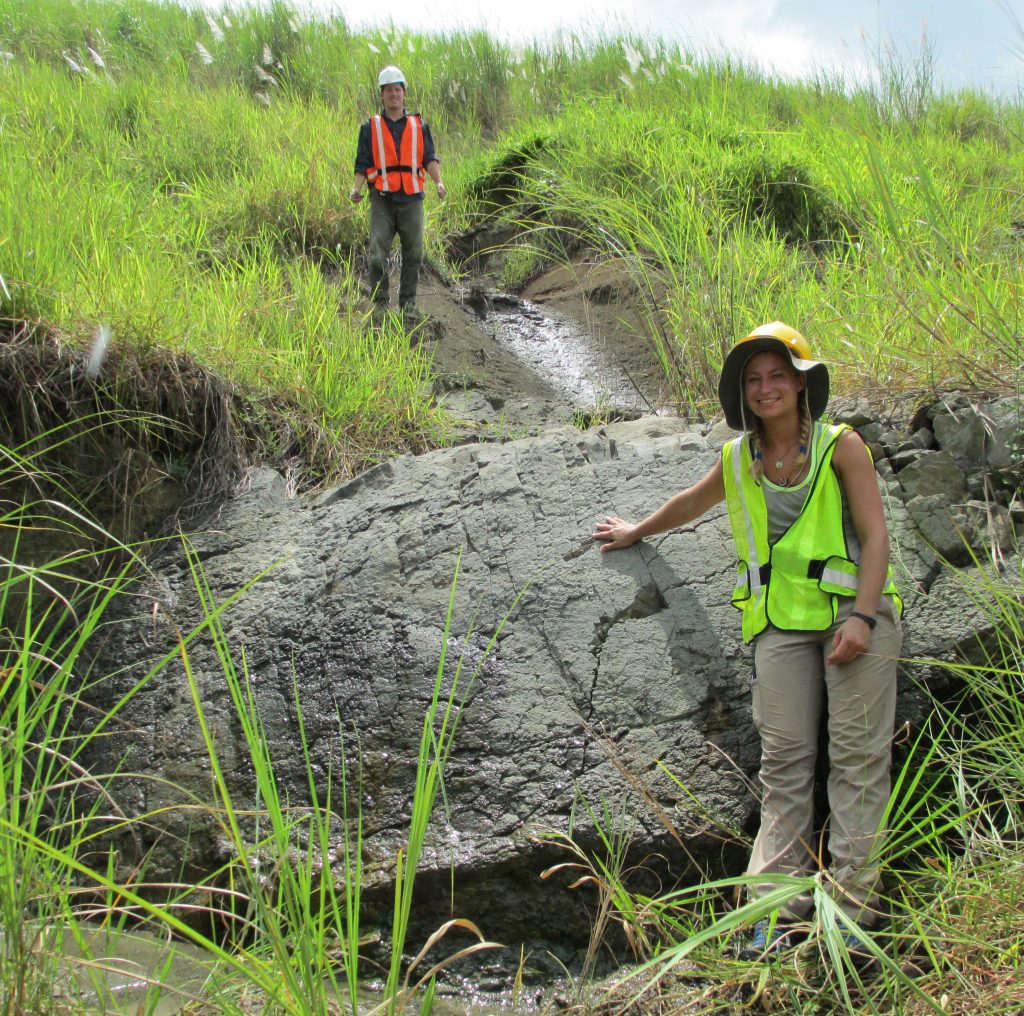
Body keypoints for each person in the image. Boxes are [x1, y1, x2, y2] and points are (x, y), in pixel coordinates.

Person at [592, 321, 903, 961]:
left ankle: (851, 910)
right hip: (781, 626)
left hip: (855, 617)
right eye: (754, 379)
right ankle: (772, 909)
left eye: (778, 376)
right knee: (784, 766)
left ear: (802, 384)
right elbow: (691, 502)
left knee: (858, 762)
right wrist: (636, 530)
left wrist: (863, 618)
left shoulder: (840, 446)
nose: (766, 388)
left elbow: (876, 537)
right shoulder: (739, 459)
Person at [350, 65, 446, 322]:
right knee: (377, 254)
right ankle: (380, 305)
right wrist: (356, 189)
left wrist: (438, 182)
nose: (394, 94)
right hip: (382, 197)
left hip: (412, 198)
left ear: (404, 94)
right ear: (381, 96)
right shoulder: (370, 128)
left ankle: (408, 304)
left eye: (398, 90)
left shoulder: (419, 126)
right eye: (389, 90)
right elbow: (362, 163)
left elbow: (429, 157)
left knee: (414, 252)